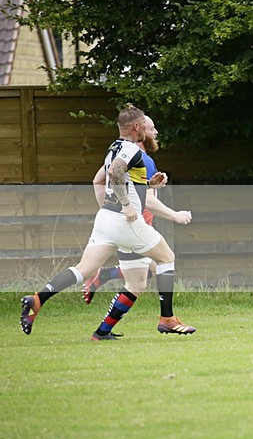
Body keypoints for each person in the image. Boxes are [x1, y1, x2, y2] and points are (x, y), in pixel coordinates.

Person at [19, 105, 195, 340]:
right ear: (136, 127)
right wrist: (127, 206)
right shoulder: (132, 149)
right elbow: (115, 172)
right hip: (125, 221)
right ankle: (167, 319)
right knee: (167, 258)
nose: (148, 129)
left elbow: (103, 179)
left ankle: (38, 299)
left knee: (85, 270)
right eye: (145, 124)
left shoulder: (114, 147)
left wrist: (149, 185)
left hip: (106, 220)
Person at [82, 115, 192, 306]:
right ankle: (167, 318)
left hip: (125, 223)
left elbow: (97, 181)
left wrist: (109, 209)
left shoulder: (118, 156)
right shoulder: (143, 160)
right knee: (156, 268)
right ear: (140, 131)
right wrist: (176, 215)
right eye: (151, 128)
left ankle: (102, 328)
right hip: (134, 226)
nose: (155, 132)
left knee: (146, 272)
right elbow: (148, 200)